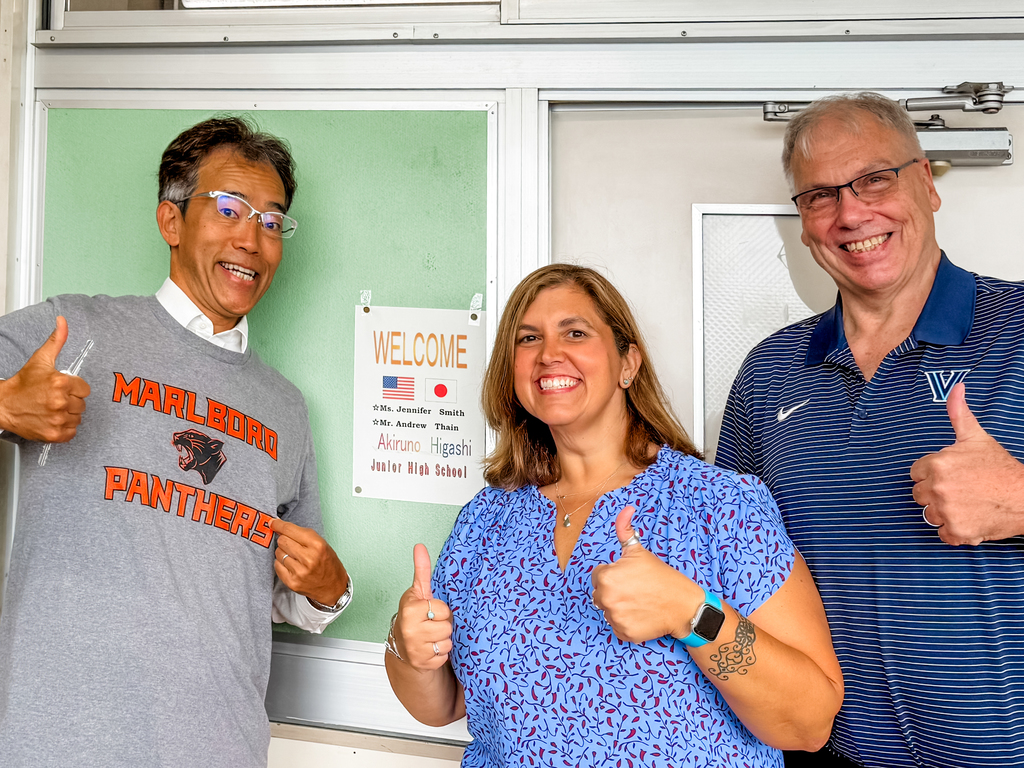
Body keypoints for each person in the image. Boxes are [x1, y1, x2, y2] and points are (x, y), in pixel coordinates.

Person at [385, 264, 843, 767]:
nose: (549, 354)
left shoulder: (719, 505)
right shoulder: (485, 520)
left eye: (575, 332)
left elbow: (810, 722)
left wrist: (689, 612)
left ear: (628, 363)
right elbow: (445, 704)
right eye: (528, 338)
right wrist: (410, 651)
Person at [0, 116, 351, 768]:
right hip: (59, 742)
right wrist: (2, 404)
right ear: (171, 221)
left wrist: (328, 590)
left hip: (219, 747)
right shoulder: (75, 330)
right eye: (229, 209)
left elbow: (286, 590)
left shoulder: (285, 409)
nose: (252, 237)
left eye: (272, 222)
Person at [716, 92, 1024, 768]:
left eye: (874, 179)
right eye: (820, 195)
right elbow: (729, 574)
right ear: (800, 223)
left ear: (926, 182)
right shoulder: (769, 374)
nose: (852, 213)